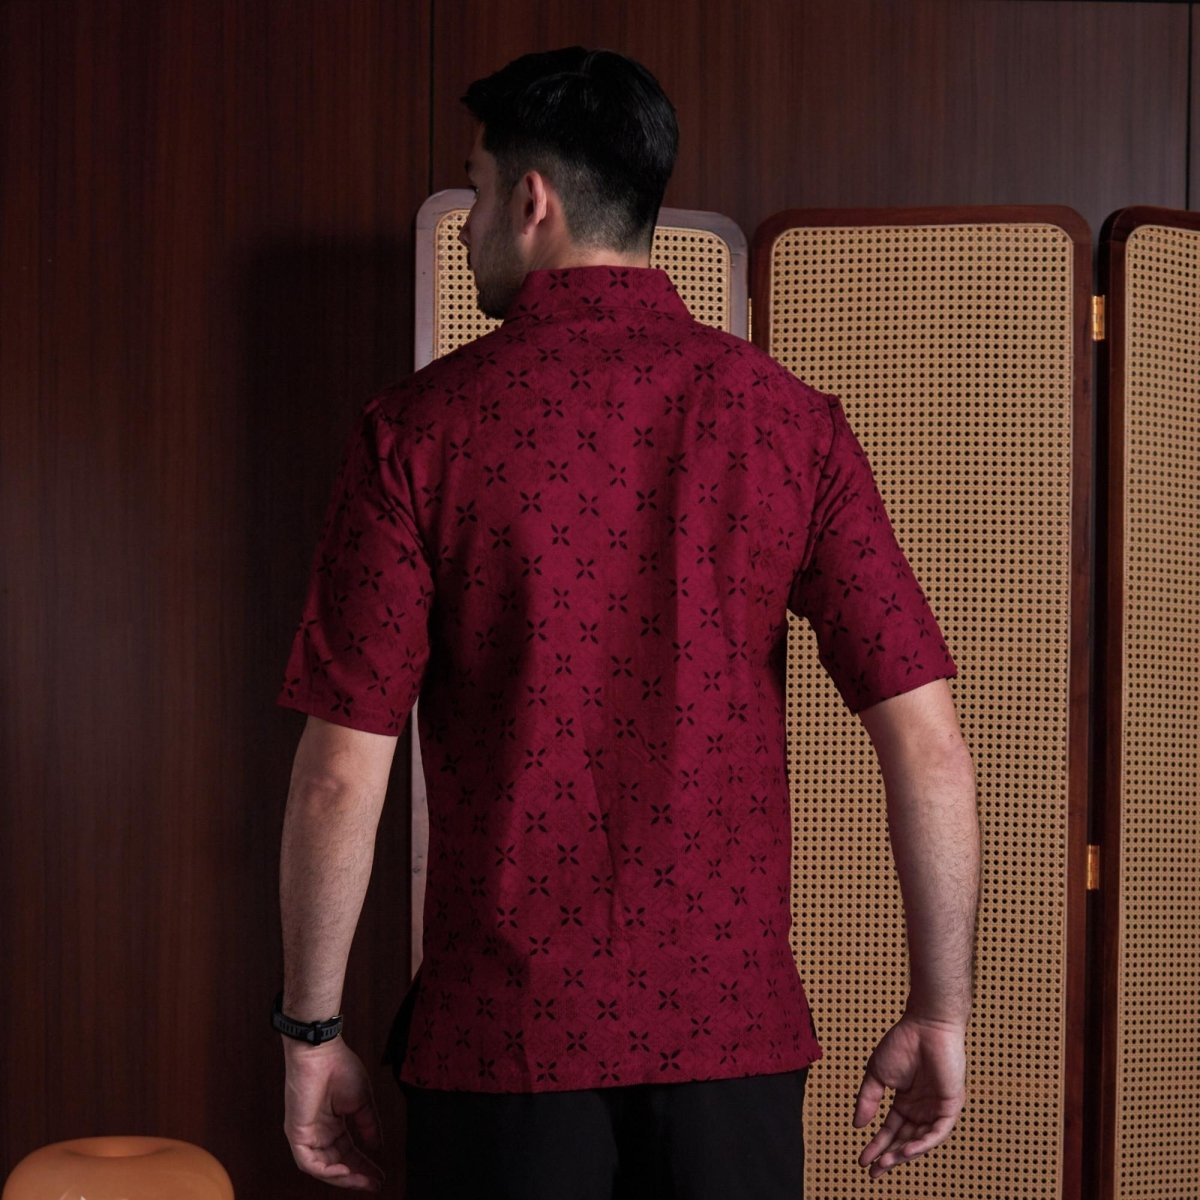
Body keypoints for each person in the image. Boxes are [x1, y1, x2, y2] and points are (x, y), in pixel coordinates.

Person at [274, 46, 979, 1199]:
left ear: (531, 200)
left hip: (504, 1047)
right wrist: (940, 1010)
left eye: (474, 190)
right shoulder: (792, 425)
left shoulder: (417, 432)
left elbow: (340, 778)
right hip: (731, 1041)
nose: (468, 227)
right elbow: (932, 748)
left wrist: (310, 1031)